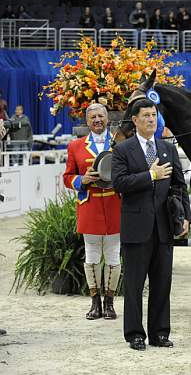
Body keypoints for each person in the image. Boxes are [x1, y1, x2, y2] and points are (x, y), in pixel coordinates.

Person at [111, 98, 191, 351]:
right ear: (134, 120)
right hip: (136, 227)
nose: (150, 119)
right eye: (145, 115)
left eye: (154, 115)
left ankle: (159, 333)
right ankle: (135, 334)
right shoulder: (123, 150)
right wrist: (150, 175)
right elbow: (119, 183)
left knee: (162, 282)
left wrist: (185, 216)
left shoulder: (167, 148)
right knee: (134, 285)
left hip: (165, 227)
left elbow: (179, 184)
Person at [63, 103, 122, 321]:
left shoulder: (119, 142)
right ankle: (95, 302)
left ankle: (110, 302)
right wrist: (82, 180)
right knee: (92, 256)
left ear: (107, 119)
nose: (97, 120)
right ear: (87, 121)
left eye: (101, 116)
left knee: (114, 256)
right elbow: (67, 177)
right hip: (90, 207)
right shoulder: (75, 146)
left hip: (115, 205)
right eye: (93, 117)